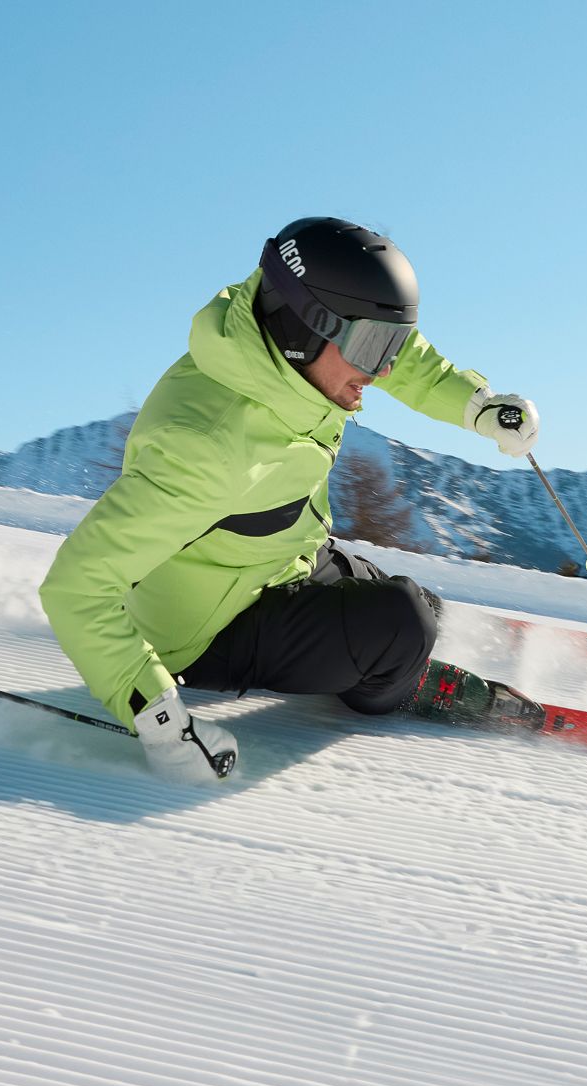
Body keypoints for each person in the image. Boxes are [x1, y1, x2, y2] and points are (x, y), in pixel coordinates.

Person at [39, 217, 543, 781]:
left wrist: (474, 406)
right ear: (307, 327)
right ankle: (409, 685)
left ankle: (399, 650)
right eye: (376, 347)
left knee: (419, 603)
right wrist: (161, 723)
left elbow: (402, 355)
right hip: (205, 632)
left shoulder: (289, 360)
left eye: (391, 344)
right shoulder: (205, 447)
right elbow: (77, 587)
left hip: (277, 560)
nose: (383, 370)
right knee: (403, 627)